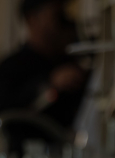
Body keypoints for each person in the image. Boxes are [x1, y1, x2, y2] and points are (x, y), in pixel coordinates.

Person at [0, 0, 87, 130]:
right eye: (56, 16)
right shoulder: (12, 67)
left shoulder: (69, 62)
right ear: (32, 19)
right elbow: (9, 111)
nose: (61, 24)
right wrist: (50, 84)